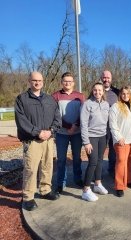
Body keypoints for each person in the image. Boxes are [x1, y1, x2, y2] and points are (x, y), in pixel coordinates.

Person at [15, 71, 61, 211]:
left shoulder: (49, 99)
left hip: (48, 139)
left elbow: (57, 117)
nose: (37, 83)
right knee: (31, 168)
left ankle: (45, 190)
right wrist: (37, 132)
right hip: (32, 140)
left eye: (39, 80)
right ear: (29, 81)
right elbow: (21, 121)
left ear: (43, 82)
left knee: (48, 166)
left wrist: (51, 131)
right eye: (34, 80)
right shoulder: (22, 99)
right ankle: (28, 197)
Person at [52, 72, 85, 193]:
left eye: (70, 81)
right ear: (61, 82)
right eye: (65, 81)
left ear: (73, 83)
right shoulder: (55, 96)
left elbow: (83, 114)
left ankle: (77, 178)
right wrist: (67, 126)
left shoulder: (80, 96)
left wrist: (75, 125)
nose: (67, 83)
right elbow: (54, 115)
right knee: (61, 159)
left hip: (77, 133)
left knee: (77, 157)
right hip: (61, 133)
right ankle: (61, 182)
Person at [80, 82, 110, 202]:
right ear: (92, 91)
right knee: (92, 161)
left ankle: (97, 184)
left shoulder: (106, 104)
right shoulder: (87, 104)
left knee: (99, 161)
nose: (97, 92)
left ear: (103, 91)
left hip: (102, 136)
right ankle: (86, 190)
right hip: (91, 137)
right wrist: (86, 142)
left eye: (100, 90)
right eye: (95, 90)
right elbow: (83, 124)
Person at [101, 70, 119, 177]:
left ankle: (112, 169)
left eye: (108, 77)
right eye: (104, 77)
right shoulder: (97, 90)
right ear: (101, 78)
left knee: (113, 148)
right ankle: (98, 172)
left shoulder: (117, 92)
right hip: (101, 125)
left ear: (111, 79)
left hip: (113, 125)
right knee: (101, 148)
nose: (106, 79)